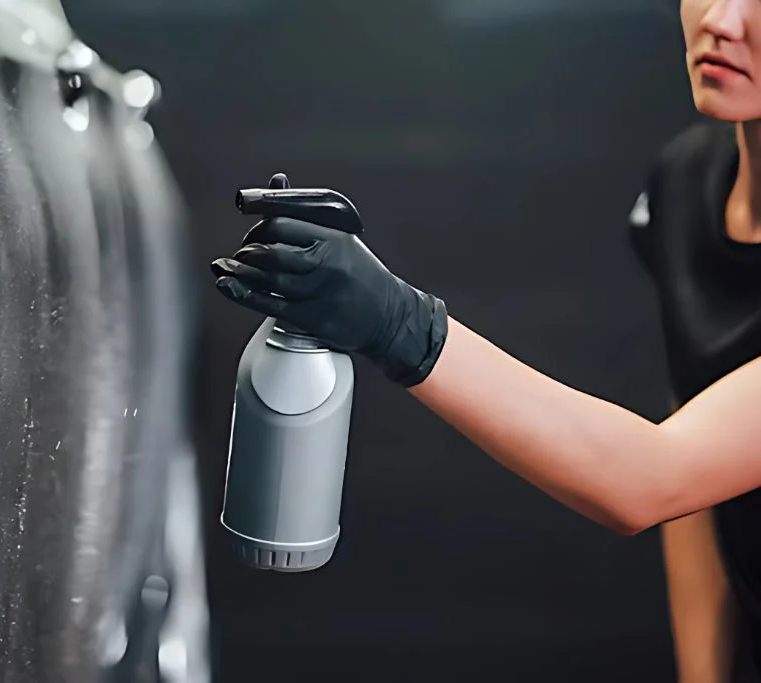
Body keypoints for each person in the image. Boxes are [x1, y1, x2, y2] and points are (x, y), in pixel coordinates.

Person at [210, 1, 761, 680]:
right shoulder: (688, 183)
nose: (724, 21)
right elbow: (700, 489)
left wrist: (400, 322)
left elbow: (654, 478)